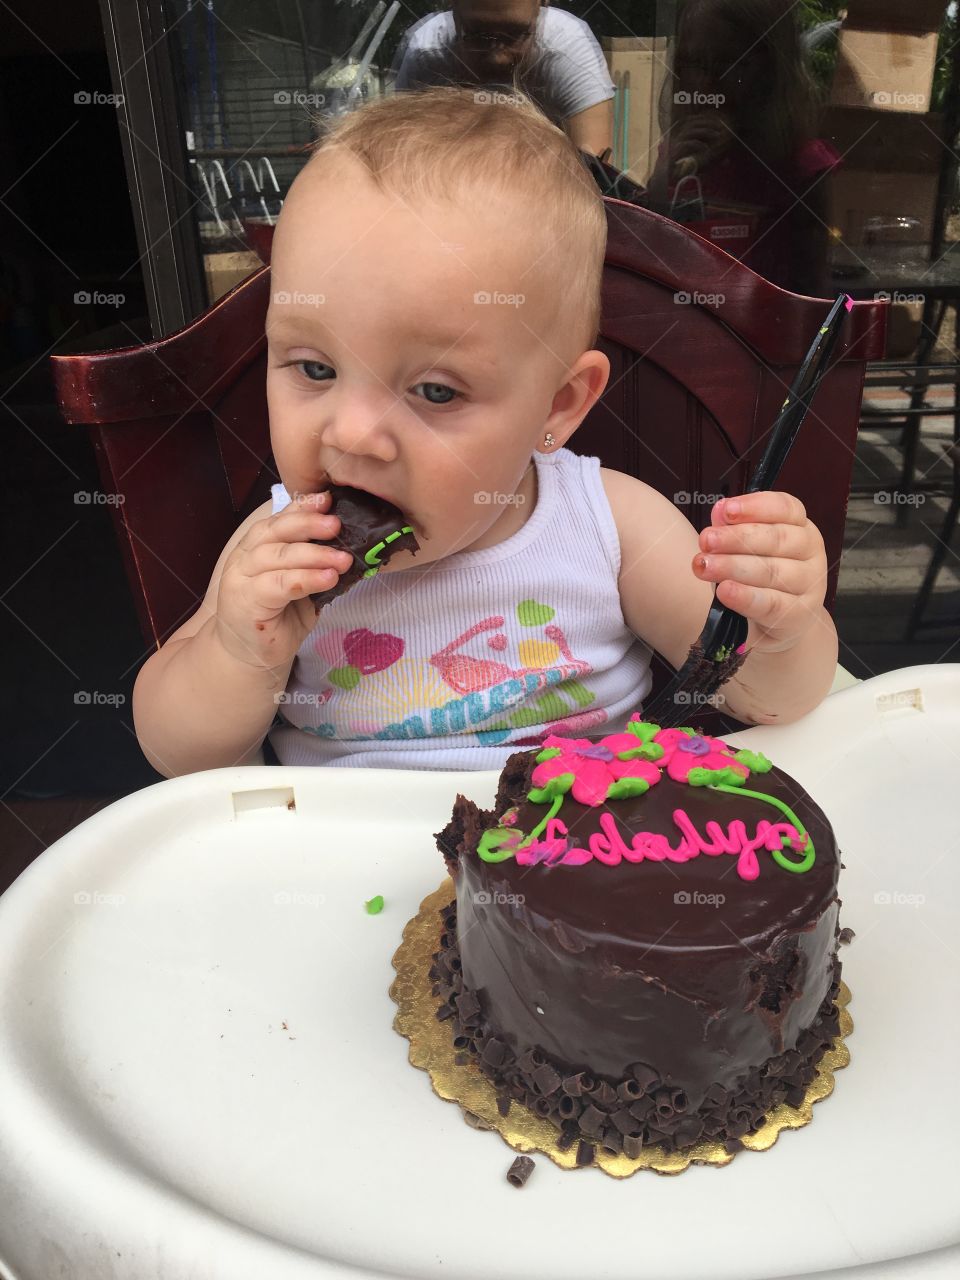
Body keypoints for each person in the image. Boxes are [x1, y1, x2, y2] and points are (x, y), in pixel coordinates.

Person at [132, 87, 839, 778]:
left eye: (435, 391)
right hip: (336, 868)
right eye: (314, 368)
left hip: (572, 859)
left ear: (558, 406)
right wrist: (237, 651)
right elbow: (182, 757)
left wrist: (783, 629)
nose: (351, 434)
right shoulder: (276, 552)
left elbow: (760, 700)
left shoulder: (610, 529)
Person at [644, 0, 840, 297]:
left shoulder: (801, 167)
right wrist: (663, 179)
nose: (706, 85)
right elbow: (649, 246)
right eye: (693, 63)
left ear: (773, 72)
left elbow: (811, 285)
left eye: (731, 65)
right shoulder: (678, 153)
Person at [391, 0, 613, 155]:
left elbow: (595, 181)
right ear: (453, 6)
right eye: (479, 35)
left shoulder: (566, 50)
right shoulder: (425, 53)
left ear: (542, 4)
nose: (497, 57)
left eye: (515, 34)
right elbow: (397, 158)